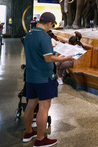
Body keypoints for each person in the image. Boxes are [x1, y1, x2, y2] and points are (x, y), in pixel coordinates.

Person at [22, 12, 73, 146]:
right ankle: (40, 139)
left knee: (31, 104)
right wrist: (65, 58)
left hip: (31, 76)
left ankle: (28, 132)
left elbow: (37, 53)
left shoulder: (29, 34)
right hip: (44, 77)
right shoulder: (44, 36)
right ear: (50, 24)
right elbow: (48, 58)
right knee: (44, 106)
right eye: (52, 25)